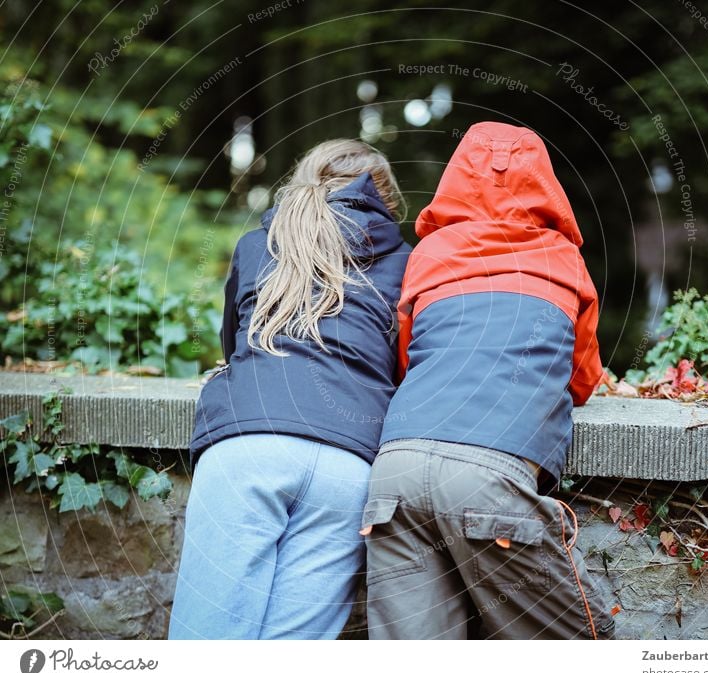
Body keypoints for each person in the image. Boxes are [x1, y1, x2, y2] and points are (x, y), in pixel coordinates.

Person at [360, 121, 617, 640]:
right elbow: (582, 380)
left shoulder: (428, 257)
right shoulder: (564, 260)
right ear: (545, 183)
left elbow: (410, 360)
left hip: (394, 474)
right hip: (489, 476)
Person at [168, 139, 410, 639]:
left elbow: (233, 341)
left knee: (206, 647)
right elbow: (405, 362)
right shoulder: (406, 262)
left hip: (245, 446)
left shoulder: (258, 243)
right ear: (385, 201)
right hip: (349, 463)